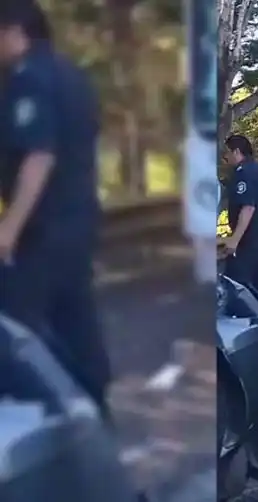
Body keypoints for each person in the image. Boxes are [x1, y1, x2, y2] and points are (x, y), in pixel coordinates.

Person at [0, 2, 113, 420]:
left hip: (42, 231)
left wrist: (8, 230)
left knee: (18, 334)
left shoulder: (29, 79)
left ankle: (43, 432)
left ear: (12, 30)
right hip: (77, 222)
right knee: (75, 324)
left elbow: (38, 156)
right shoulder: (71, 76)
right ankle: (96, 426)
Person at [221, 134, 258, 321]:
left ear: (237, 152)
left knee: (234, 280)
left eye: (227, 154)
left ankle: (238, 325)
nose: (226, 159)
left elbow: (248, 207)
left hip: (250, 238)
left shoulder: (243, 173)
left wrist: (235, 240)